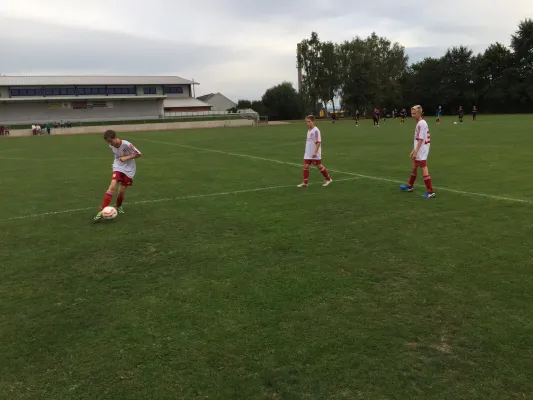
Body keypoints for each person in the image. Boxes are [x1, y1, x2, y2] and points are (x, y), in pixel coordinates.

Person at [93, 130, 142, 221]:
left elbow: (138, 154)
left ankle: (119, 206)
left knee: (121, 191)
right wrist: (118, 162)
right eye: (108, 142)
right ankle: (101, 211)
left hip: (129, 169)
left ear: (115, 138)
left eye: (111, 141)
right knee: (112, 186)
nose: (110, 143)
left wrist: (126, 157)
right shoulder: (111, 146)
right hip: (118, 166)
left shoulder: (126, 144)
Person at [400, 105, 435, 199]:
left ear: (419, 113)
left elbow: (421, 139)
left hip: (422, 150)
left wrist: (416, 151)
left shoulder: (421, 123)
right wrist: (414, 150)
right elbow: (418, 139)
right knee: (414, 166)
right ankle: (410, 186)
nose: (412, 115)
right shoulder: (420, 123)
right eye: (411, 113)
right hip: (420, 148)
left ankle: (430, 191)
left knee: (423, 168)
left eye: (414, 113)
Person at [297, 115, 332, 188]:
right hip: (308, 153)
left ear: (312, 121)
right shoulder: (309, 130)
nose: (307, 123)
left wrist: (315, 152)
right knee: (306, 166)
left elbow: (318, 142)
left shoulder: (316, 130)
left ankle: (328, 179)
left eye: (309, 122)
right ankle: (305, 182)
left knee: (319, 166)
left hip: (314, 153)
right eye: (306, 122)